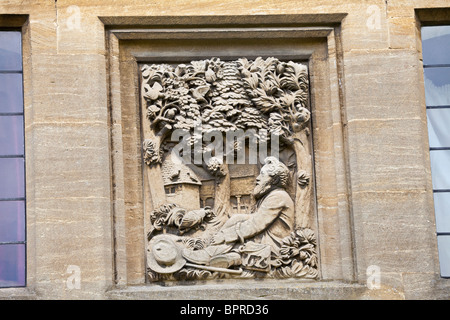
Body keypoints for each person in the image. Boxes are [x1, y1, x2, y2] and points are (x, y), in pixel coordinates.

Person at [181, 156, 295, 269]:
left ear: (274, 180)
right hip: (262, 241)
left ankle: (209, 255)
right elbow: (254, 218)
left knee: (234, 238)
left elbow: (256, 225)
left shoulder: (278, 196)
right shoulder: (271, 195)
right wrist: (235, 220)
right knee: (237, 220)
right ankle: (223, 255)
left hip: (271, 247)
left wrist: (225, 236)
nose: (258, 178)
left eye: (263, 175)